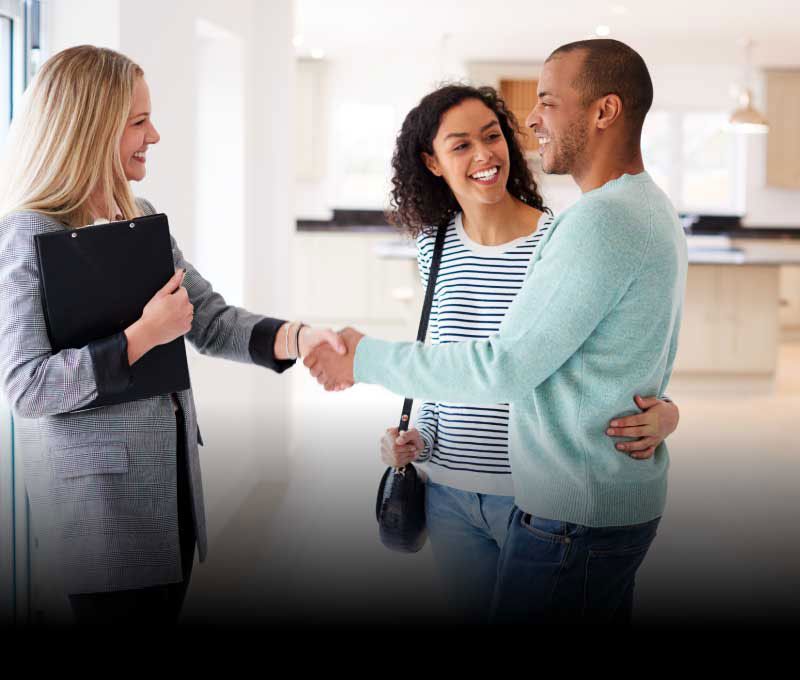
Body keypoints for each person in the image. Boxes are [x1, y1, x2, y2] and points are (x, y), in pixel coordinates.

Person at [306, 39, 688, 623]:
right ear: (433, 162)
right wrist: (416, 435)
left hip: (557, 503)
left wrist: (364, 359)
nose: (529, 121)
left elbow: (505, 366)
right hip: (479, 488)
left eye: (547, 103)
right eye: (461, 143)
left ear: (603, 111)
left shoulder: (588, 225)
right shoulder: (631, 210)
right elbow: (462, 352)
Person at [0, 45, 344, 625]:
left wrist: (299, 336)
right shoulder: (27, 234)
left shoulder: (139, 213)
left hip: (170, 495)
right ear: (91, 128)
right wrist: (140, 336)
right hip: (100, 518)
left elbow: (207, 319)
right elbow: (25, 387)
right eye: (138, 121)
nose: (154, 135)